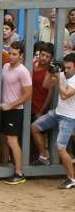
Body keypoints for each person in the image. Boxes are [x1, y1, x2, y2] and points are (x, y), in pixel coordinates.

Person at [30, 53, 75, 189]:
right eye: (65, 67)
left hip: (69, 117)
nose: (65, 70)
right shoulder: (62, 74)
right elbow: (45, 85)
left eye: (69, 68)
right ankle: (44, 156)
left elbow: (65, 94)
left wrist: (60, 79)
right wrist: (51, 72)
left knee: (61, 148)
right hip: (57, 112)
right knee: (35, 127)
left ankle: (72, 179)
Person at [0, 41, 32, 185]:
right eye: (10, 53)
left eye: (14, 54)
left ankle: (19, 173)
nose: (11, 56)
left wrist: (10, 106)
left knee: (12, 141)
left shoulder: (23, 71)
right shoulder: (5, 66)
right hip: (4, 109)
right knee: (5, 139)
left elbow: (27, 95)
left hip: (15, 111)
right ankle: (5, 166)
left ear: (21, 55)